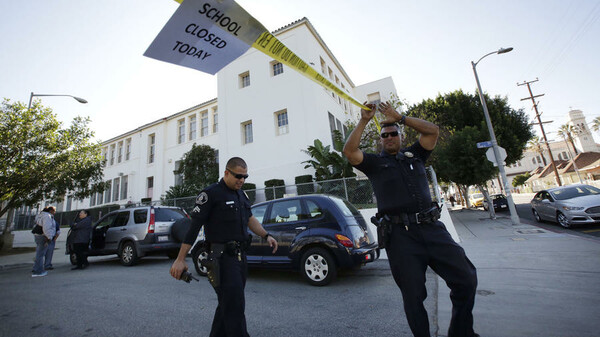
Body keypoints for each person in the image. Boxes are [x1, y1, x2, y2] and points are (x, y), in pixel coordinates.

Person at [343, 101, 478, 337]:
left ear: (401, 135)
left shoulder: (416, 154)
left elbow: (432, 130)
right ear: (380, 140)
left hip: (432, 229)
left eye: (394, 133)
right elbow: (350, 152)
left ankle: (461, 332)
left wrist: (401, 117)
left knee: (466, 279)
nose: (389, 137)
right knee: (413, 296)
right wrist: (364, 120)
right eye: (385, 135)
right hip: (400, 238)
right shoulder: (374, 163)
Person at [170, 157, 278, 337]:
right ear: (226, 173)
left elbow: (250, 219)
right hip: (222, 260)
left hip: (240, 257)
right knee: (234, 306)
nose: (242, 180)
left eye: (245, 177)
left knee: (227, 305)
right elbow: (194, 227)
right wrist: (180, 259)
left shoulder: (241, 194)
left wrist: (266, 235)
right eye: (238, 176)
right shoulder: (210, 194)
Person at [32, 206, 56, 277]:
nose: (54, 212)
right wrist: (49, 237)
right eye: (54, 211)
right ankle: (38, 271)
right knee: (40, 254)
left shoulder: (40, 215)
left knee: (39, 253)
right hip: (43, 236)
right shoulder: (47, 216)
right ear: (51, 210)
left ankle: (36, 269)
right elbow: (47, 227)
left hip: (38, 235)